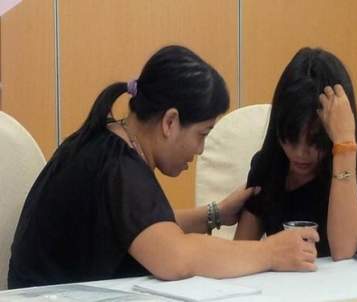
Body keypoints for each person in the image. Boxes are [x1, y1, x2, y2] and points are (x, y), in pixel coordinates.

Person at [8, 45, 319, 289]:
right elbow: (175, 256)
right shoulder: (118, 168)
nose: (200, 149)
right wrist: (271, 252)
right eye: (202, 134)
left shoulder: (102, 141)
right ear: (170, 122)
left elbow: (148, 231)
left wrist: (216, 213)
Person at [235, 47, 357, 261]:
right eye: (290, 137)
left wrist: (344, 145)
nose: (300, 153)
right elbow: (240, 251)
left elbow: (343, 252)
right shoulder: (270, 164)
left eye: (314, 141)